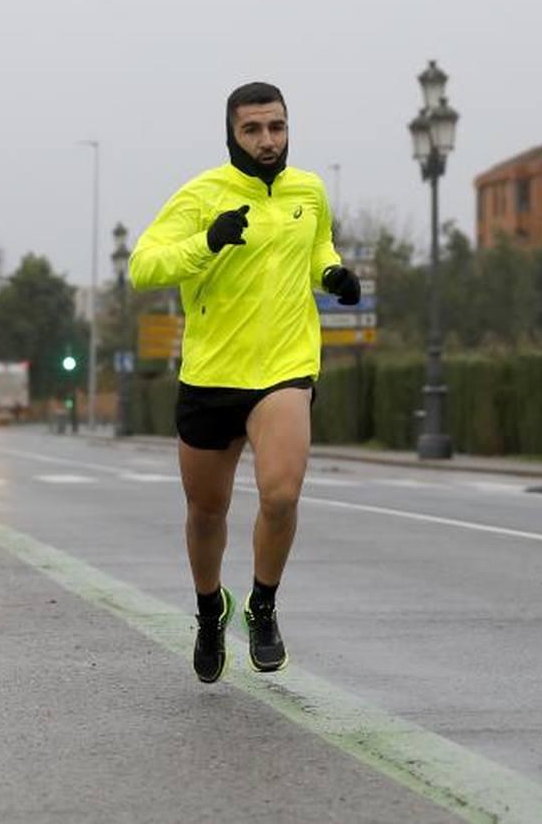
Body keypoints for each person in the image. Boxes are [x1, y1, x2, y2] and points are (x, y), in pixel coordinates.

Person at [129, 82, 361, 683]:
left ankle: (263, 604)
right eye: (253, 130)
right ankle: (211, 611)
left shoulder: (307, 191)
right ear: (231, 133)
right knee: (207, 512)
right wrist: (207, 242)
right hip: (211, 374)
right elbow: (143, 266)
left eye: (276, 128)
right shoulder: (202, 195)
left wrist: (332, 273)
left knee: (281, 495)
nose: (267, 141)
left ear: (289, 128)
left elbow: (317, 246)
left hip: (284, 367)